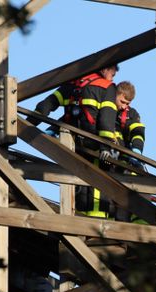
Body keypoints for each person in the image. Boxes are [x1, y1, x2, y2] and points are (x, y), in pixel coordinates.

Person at [33, 64, 121, 217]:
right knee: (98, 182)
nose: (113, 78)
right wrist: (105, 147)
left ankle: (76, 214)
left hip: (72, 144)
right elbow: (107, 120)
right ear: (105, 70)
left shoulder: (72, 84)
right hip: (94, 146)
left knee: (77, 180)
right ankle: (96, 222)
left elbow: (47, 104)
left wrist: (27, 124)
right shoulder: (107, 87)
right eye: (112, 74)